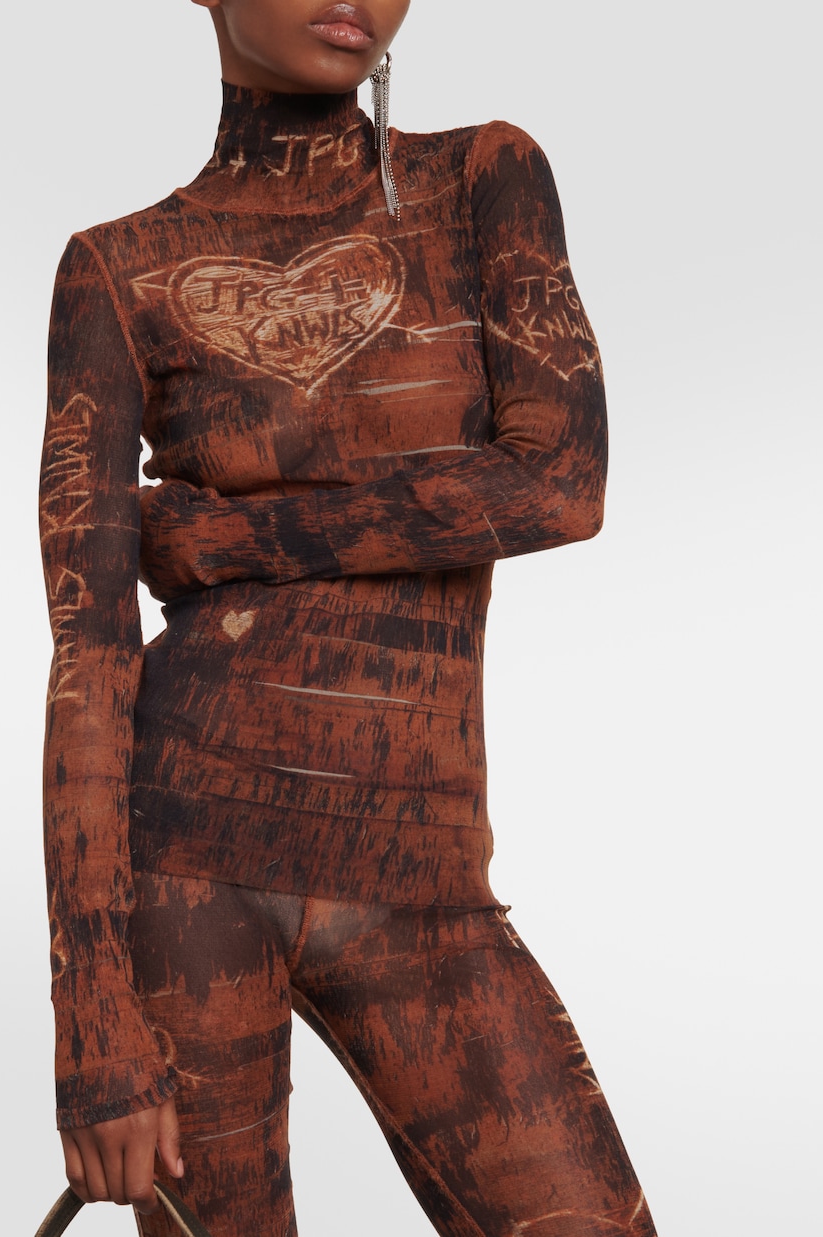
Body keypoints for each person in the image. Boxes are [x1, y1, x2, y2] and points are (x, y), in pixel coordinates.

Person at [38, 2, 657, 1233]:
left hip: (419, 874)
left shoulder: (479, 179)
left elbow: (557, 484)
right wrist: (91, 1015)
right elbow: (89, 655)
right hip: (184, 867)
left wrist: (235, 539)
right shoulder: (117, 266)